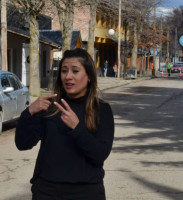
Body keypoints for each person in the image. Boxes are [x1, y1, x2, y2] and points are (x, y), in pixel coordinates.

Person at [15, 48, 115, 200]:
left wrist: (77, 128)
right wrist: (28, 113)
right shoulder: (49, 106)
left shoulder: (101, 110)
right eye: (64, 71)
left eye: (75, 71)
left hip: (86, 192)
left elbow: (99, 154)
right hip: (47, 191)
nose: (68, 77)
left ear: (89, 76)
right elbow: (23, 144)